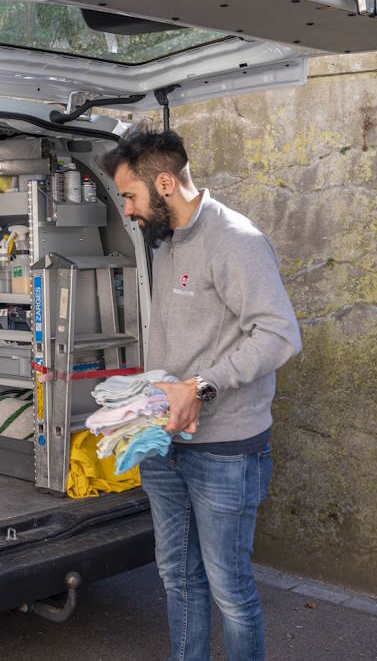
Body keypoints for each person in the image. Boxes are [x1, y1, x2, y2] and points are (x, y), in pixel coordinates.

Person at [102, 129, 302, 661]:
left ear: (164, 183)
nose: (127, 210)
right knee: (177, 577)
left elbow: (280, 334)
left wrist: (204, 385)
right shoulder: (166, 240)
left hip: (226, 452)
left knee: (229, 591)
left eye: (130, 196)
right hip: (166, 445)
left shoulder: (236, 240)